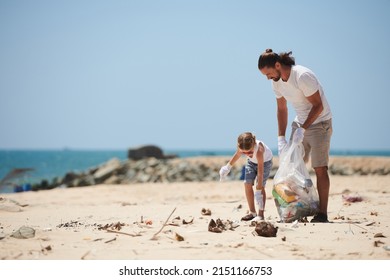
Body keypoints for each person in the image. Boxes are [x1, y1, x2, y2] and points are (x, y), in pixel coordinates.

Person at [258, 49, 333, 223]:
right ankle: (297, 208)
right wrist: (280, 137)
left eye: (268, 73)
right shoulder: (276, 83)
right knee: (291, 168)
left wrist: (304, 129)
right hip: (300, 123)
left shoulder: (302, 76)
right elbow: (282, 109)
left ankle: (322, 213)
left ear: (278, 65)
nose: (268, 78)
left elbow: (318, 106)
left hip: (320, 123)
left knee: (320, 168)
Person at [219, 132, 273, 221]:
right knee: (247, 183)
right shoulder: (242, 145)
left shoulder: (259, 149)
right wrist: (227, 167)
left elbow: (260, 172)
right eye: (245, 153)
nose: (247, 154)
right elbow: (237, 155)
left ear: (253, 143)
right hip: (251, 162)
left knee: (260, 186)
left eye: (250, 151)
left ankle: (261, 214)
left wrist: (258, 190)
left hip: (264, 163)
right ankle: (252, 212)